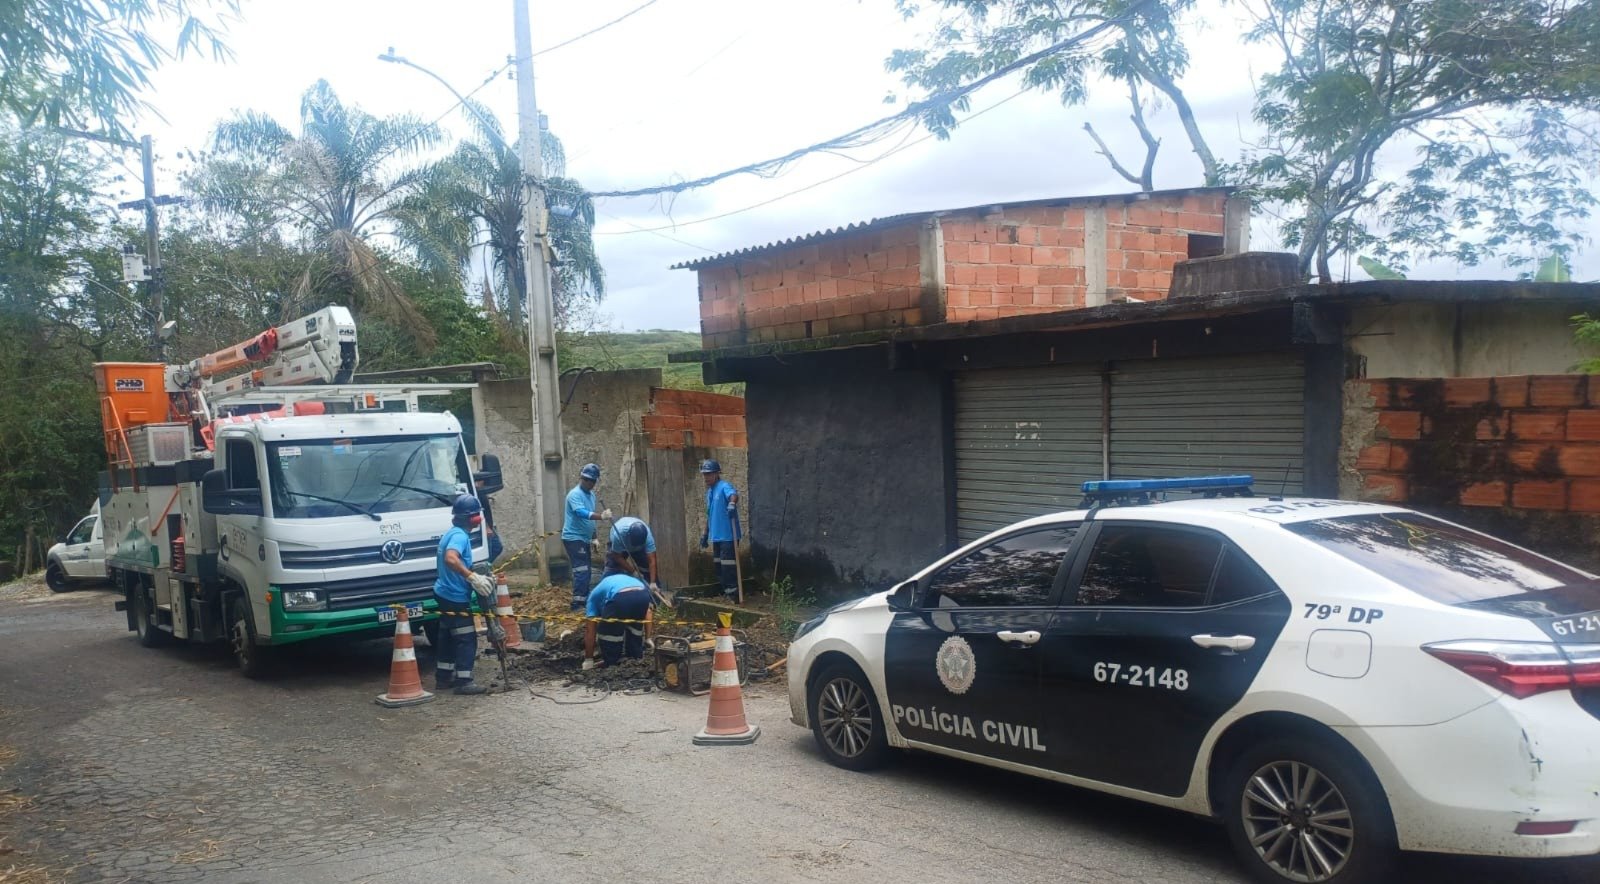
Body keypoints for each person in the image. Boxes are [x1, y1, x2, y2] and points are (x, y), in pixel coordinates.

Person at [434, 495, 496, 695]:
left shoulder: (450, 533)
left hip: (442, 592)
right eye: (478, 515)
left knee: (446, 636)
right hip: (455, 597)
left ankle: (443, 678)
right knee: (466, 638)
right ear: (473, 518)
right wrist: (472, 577)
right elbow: (451, 559)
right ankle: (464, 681)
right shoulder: (460, 536)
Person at [562, 463, 612, 611]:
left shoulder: (591, 495)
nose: (587, 482)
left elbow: (589, 521)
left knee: (586, 570)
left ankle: (583, 599)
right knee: (582, 570)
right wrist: (601, 516)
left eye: (590, 481)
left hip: (584, 538)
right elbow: (581, 513)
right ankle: (577, 604)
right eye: (585, 479)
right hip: (573, 538)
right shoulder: (574, 494)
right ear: (581, 478)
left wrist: (594, 537)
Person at [582, 571, 653, 669]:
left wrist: (588, 659)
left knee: (607, 632)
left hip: (620, 596)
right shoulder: (610, 584)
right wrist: (648, 638)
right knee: (635, 628)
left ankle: (611, 664)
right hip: (642, 593)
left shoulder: (592, 600)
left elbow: (590, 630)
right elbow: (648, 612)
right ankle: (635, 659)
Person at [698, 460, 741, 601]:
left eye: (709, 474)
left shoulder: (724, 486)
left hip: (728, 536)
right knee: (719, 567)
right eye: (705, 475)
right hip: (716, 537)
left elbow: (733, 495)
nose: (706, 477)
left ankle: (733, 595)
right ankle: (726, 592)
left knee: (728, 567)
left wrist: (732, 503)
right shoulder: (709, 492)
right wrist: (705, 534)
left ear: (716, 474)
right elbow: (709, 515)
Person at [602, 516, 659, 591]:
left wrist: (653, 582)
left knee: (646, 568)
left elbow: (651, 561)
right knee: (612, 569)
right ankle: (607, 593)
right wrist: (633, 571)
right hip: (620, 546)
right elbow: (617, 557)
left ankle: (654, 594)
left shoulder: (648, 537)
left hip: (639, 548)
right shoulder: (619, 535)